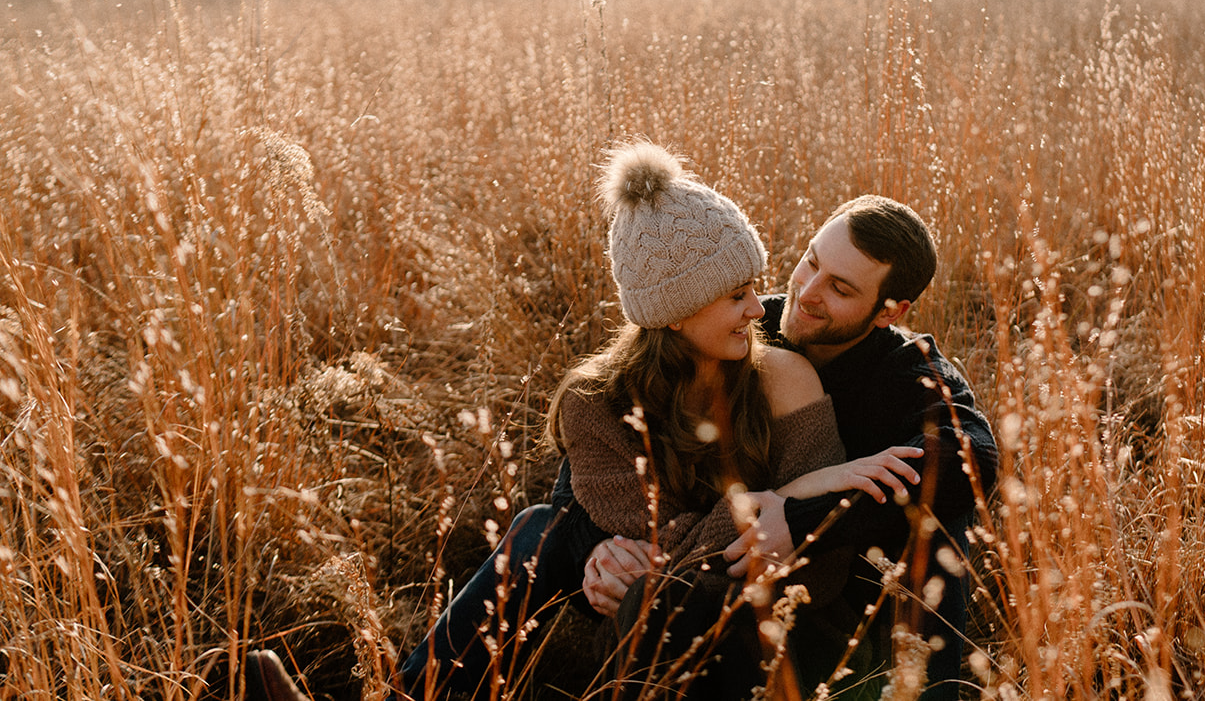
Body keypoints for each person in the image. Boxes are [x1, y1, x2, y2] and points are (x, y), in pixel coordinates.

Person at [245, 142, 922, 701]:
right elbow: (644, 555)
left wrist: (781, 510)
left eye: (756, 285)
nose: (762, 309)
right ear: (676, 310)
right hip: (636, 618)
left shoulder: (784, 377)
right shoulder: (595, 401)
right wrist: (783, 497)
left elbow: (819, 567)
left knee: (643, 585)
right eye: (738, 295)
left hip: (757, 629)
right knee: (553, 535)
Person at [590, 195, 999, 699]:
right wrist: (601, 546)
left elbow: (972, 457)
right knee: (541, 527)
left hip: (846, 601)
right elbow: (617, 408)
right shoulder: (747, 324)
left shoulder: (908, 373)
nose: (807, 291)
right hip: (716, 561)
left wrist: (801, 519)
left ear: (890, 312)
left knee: (937, 515)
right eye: (811, 261)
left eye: (840, 288)